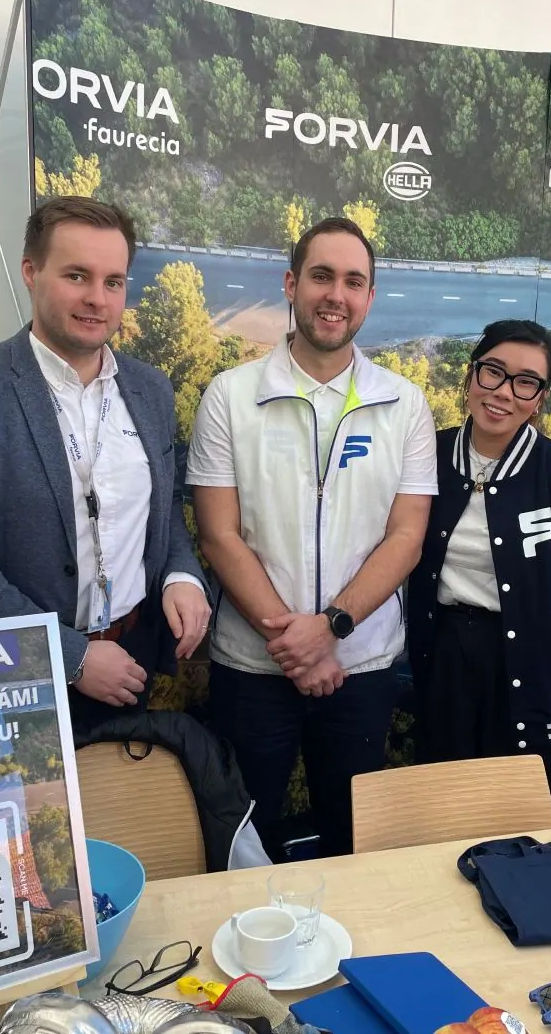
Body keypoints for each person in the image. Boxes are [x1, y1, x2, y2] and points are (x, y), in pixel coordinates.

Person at [0, 196, 211, 737]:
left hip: (129, 665)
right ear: (31, 272)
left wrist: (181, 576)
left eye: (113, 282)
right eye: (77, 276)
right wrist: (69, 657)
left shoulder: (150, 390)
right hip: (11, 679)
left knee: (116, 798)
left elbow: (161, 510)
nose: (97, 298)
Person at [186, 217, 437, 858]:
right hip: (251, 667)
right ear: (291, 284)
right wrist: (296, 646)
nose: (336, 295)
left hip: (361, 667)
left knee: (353, 841)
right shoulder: (230, 396)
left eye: (353, 282)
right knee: (245, 843)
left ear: (370, 297)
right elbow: (218, 536)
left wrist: (331, 629)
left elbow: (406, 538)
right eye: (322, 276)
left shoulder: (405, 405)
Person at [406, 320, 551, 826]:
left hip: (535, 664)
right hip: (446, 657)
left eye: (526, 382)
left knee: (531, 822)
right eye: (493, 372)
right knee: (446, 811)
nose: (504, 392)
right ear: (470, 377)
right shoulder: (426, 458)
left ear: (539, 400)